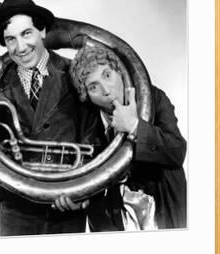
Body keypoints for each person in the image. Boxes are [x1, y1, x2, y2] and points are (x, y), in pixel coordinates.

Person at [0, 0, 87, 236]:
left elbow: (93, 138)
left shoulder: (74, 73)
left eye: (26, 34)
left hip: (66, 203)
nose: (20, 47)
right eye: (10, 39)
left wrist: (83, 192)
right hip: (15, 208)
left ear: (43, 32)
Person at [54, 44, 187, 230]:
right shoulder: (85, 120)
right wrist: (79, 199)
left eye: (107, 75)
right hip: (113, 224)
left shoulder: (154, 98)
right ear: (87, 96)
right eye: (94, 87)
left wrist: (134, 125)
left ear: (119, 71)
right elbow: (88, 177)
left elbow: (176, 151)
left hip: (161, 215)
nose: (106, 90)